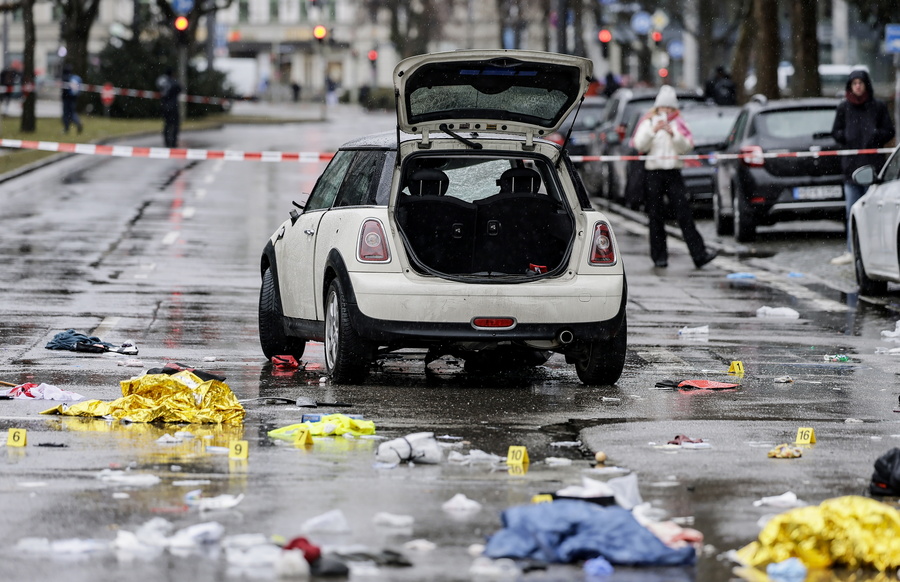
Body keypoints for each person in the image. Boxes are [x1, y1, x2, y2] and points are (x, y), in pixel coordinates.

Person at [632, 85, 718, 269]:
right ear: (657, 108)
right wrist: (653, 130)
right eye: (664, 108)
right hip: (653, 173)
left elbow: (687, 147)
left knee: (684, 214)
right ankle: (659, 257)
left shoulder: (679, 123)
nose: (667, 112)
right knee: (655, 216)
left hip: (673, 172)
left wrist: (674, 134)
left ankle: (699, 254)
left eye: (670, 108)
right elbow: (639, 145)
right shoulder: (648, 122)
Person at [829, 69, 895, 265]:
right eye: (854, 83)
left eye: (861, 83)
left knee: (873, 211)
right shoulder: (844, 108)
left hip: (873, 168)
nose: (858, 86)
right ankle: (852, 250)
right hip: (851, 168)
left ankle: (876, 250)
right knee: (852, 211)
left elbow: (889, 130)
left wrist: (875, 136)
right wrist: (848, 138)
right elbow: (836, 132)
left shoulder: (878, 107)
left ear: (866, 85)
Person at [156, 67, 183, 148]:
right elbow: (180, 89)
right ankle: (173, 143)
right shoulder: (173, 82)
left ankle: (167, 142)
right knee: (175, 124)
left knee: (167, 124)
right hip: (173, 106)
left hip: (164, 105)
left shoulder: (162, 81)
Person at [60, 64, 83, 134]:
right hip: (73, 98)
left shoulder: (65, 78)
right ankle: (77, 122)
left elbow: (64, 89)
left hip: (67, 99)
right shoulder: (75, 78)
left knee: (66, 114)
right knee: (72, 112)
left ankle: (67, 129)